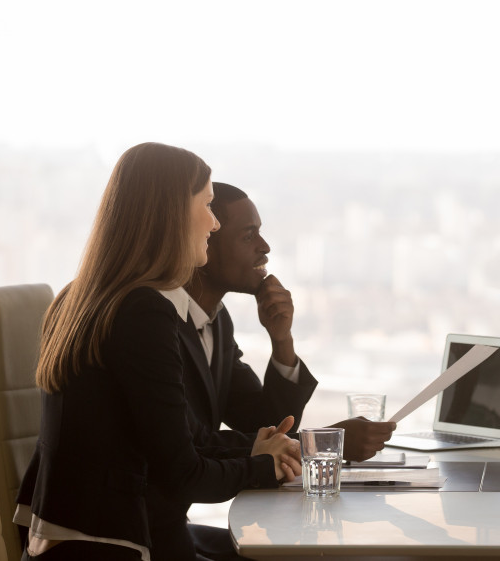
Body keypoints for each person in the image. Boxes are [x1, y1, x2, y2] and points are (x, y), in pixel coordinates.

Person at [15, 143, 300, 561]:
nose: (214, 223)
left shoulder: (84, 296)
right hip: (113, 546)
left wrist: (261, 451)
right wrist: (264, 465)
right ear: (172, 214)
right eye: (207, 205)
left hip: (74, 541)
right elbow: (183, 473)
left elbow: (183, 437)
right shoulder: (143, 311)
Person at [154, 181, 396, 559]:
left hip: (170, 526)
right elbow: (194, 444)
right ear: (207, 240)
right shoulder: (155, 323)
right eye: (249, 235)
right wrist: (320, 445)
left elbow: (262, 420)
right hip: (141, 532)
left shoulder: (216, 322)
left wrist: (281, 340)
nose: (264, 248)